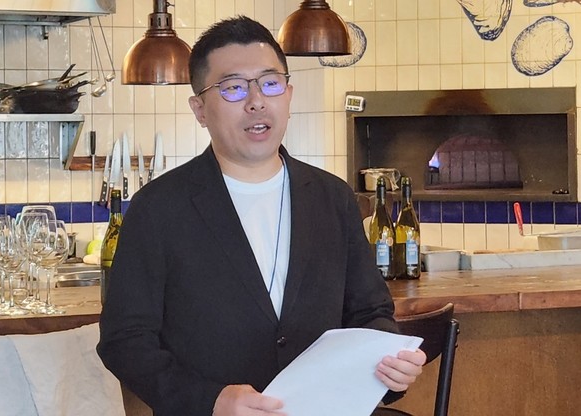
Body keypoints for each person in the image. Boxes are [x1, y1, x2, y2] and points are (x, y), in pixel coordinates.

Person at [97, 15, 426, 416]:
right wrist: (210, 400)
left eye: (270, 83)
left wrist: (389, 361)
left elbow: (370, 313)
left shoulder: (332, 197)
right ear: (200, 110)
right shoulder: (158, 207)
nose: (256, 101)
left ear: (288, 94)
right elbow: (124, 340)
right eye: (233, 88)